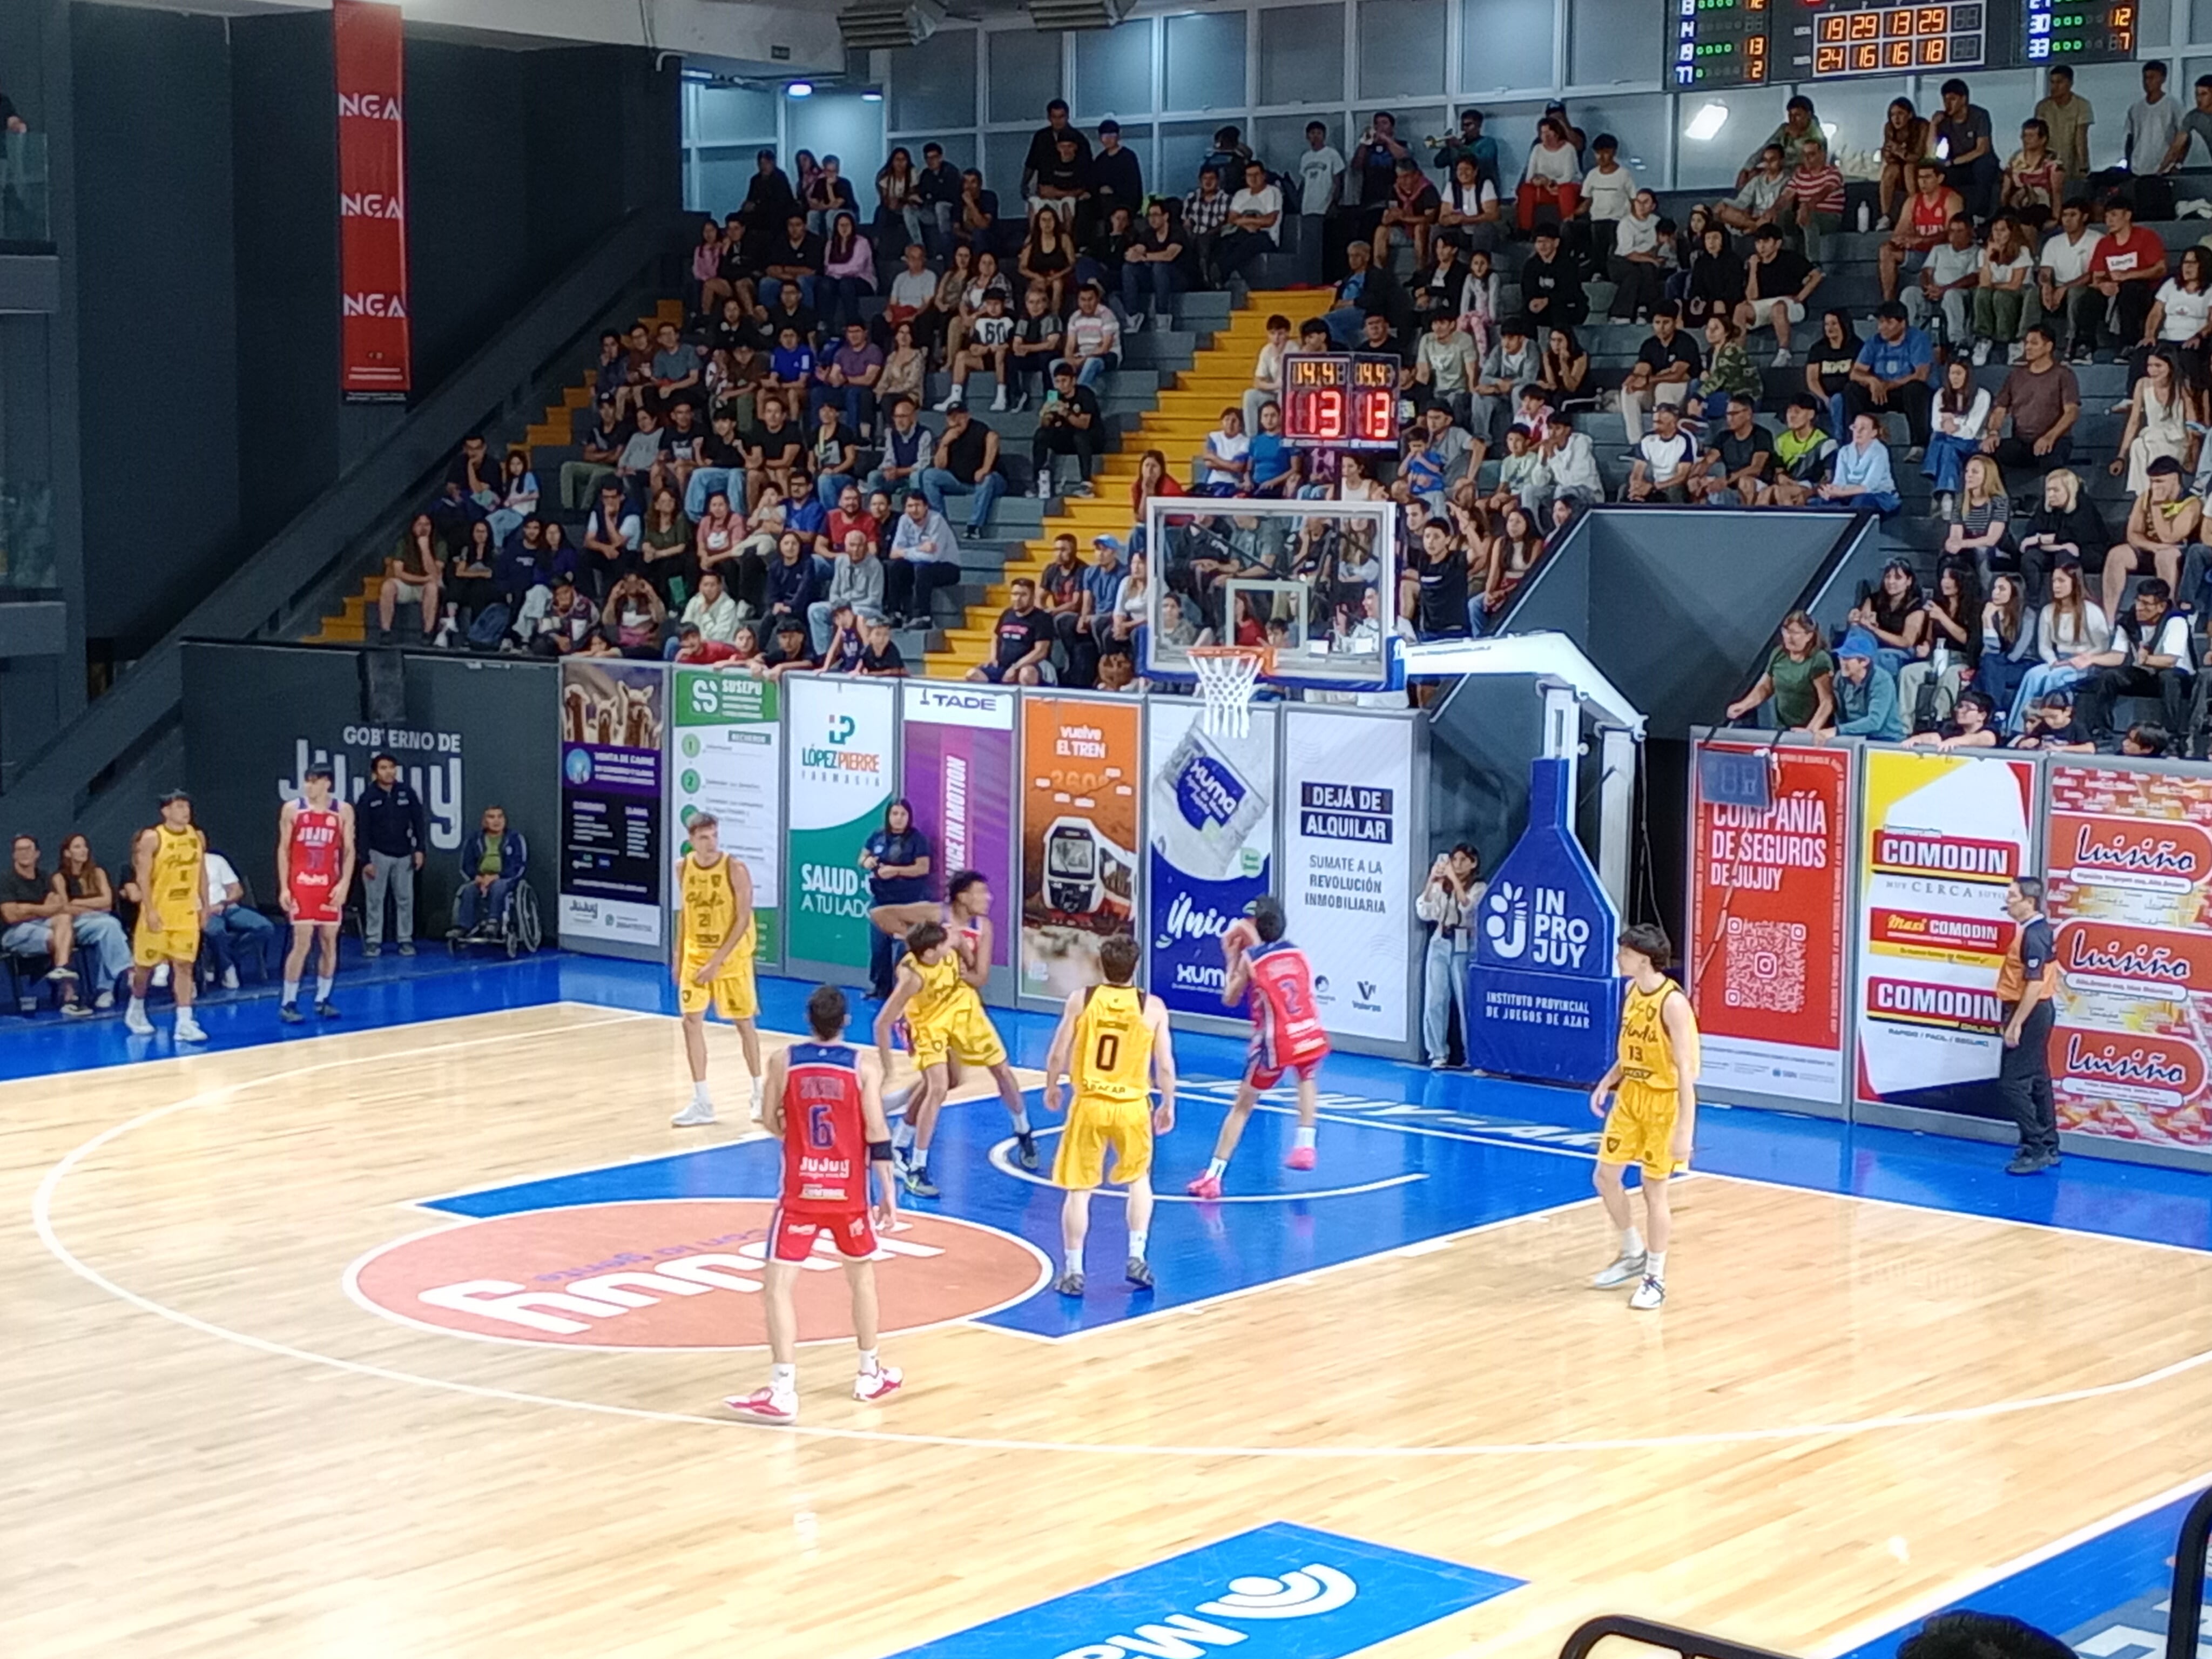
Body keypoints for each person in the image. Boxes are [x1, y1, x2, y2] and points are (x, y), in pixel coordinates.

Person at [723, 984, 903, 1425]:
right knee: (861, 1281)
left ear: (808, 1020)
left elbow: (768, 1120)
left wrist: (801, 1141)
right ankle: (869, 1372)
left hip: (802, 1191)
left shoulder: (782, 1061)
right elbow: (878, 1133)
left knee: (778, 1287)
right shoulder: (864, 1067)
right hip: (849, 1195)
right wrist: (889, 1194)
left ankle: (783, 1389)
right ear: (845, 1021)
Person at [1041, 932, 1177, 1297]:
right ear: (1136, 967)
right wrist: (1169, 1103)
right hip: (1132, 1106)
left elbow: (1058, 1053)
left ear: (1101, 964)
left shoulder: (1081, 1000)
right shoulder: (1153, 1007)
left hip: (1090, 1104)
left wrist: (1053, 1085)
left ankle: (1073, 1271)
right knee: (1139, 1181)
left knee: (1079, 1190)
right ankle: (1136, 1256)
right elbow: (1164, 1065)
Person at [875, 919, 1037, 1197]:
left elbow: (961, 943)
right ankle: (917, 1167)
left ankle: (1024, 1132)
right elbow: (881, 1023)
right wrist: (888, 1067)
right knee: (937, 1087)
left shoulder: (946, 942)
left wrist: (967, 958)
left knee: (1001, 1070)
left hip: (964, 1010)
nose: (946, 946)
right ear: (927, 954)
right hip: (928, 1024)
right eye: (941, 946)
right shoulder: (911, 977)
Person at [1587, 922, 1700, 1312]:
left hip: (1664, 1102)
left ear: (1643, 959)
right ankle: (1632, 1252)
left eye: (1624, 953)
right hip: (1631, 1095)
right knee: (1605, 1176)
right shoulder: (1633, 991)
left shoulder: (1673, 1003)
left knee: (1655, 1191)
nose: (1619, 958)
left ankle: (1655, 1277)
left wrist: (1686, 1128)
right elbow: (1633, 1047)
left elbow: (1685, 1070)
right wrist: (1608, 1081)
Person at [1186, 897, 1331, 1199]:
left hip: (1276, 1041)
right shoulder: (1298, 952)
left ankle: (1213, 1177)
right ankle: (1306, 1142)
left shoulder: (1251, 958)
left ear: (1256, 925)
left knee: (1242, 1106)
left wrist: (1230, 957)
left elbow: (1229, 997)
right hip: (1310, 1032)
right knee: (1307, 1077)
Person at [667, 813, 764, 1127]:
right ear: (691, 840)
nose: (711, 843)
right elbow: (685, 914)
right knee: (690, 1022)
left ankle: (758, 1094)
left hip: (731, 958)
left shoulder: (735, 869)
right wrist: (679, 955)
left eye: (714, 836)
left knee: (744, 1023)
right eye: (704, 838)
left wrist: (717, 961)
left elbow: (742, 919)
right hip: (697, 955)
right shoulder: (683, 867)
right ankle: (702, 1100)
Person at [124, 791, 208, 1043]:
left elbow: (201, 873)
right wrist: (149, 910)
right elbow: (142, 877)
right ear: (166, 811)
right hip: (159, 913)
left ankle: (184, 1022)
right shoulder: (153, 838)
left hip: (185, 913)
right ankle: (136, 1008)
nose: (186, 811)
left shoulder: (197, 836)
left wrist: (205, 906)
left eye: (187, 806)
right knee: (145, 969)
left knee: (184, 966)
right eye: (180, 806)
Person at [1993, 879, 2061, 1176]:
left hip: (2030, 1012)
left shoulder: (2033, 936)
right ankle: (2049, 1142)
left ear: (2029, 902)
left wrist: (2015, 1024)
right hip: (2038, 1011)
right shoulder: (2039, 931)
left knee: (2012, 1084)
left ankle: (2036, 1147)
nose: (2007, 901)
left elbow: (2033, 985)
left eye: (2012, 896)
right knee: (2038, 1080)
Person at [276, 763, 354, 1023]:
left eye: (314, 781)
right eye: (307, 781)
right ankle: (288, 1001)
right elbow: (283, 850)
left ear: (327, 783)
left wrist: (344, 885)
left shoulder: (342, 811)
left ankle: (323, 998)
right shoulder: (293, 809)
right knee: (302, 941)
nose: (309, 786)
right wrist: (285, 887)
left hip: (329, 884)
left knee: (329, 941)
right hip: (302, 882)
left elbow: (349, 851)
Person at [2080, 578, 2196, 738]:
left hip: (2179, 677)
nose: (2140, 608)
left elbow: (2170, 661)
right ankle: (2102, 731)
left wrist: (2147, 659)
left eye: (2146, 604)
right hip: (2146, 675)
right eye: (2138, 602)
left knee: (2168, 677)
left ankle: (2172, 736)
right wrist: (2092, 659)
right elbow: (2118, 656)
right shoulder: (2129, 621)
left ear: (2161, 606)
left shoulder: (2176, 621)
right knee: (2109, 676)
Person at [2, 835, 103, 1016]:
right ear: (14, 855)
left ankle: (62, 968)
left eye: (28, 849)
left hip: (42, 925)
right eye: (20, 850)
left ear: (37, 854)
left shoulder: (45, 878)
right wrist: (41, 909)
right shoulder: (6, 880)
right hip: (15, 932)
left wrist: (26, 908)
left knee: (64, 920)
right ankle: (69, 998)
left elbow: (57, 908)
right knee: (62, 939)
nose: (24, 853)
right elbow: (11, 916)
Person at [2009, 557, 2111, 729]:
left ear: (2075, 583)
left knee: (2054, 678)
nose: (2056, 586)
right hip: (2059, 661)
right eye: (2054, 581)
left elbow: (2102, 645)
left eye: (2061, 581)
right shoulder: (2048, 611)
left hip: (2084, 663)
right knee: (2033, 675)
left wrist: (2082, 658)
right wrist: (2053, 661)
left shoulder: (2091, 611)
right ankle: (2018, 727)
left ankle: (2046, 726)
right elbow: (2044, 645)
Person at [2103, 455, 2200, 618]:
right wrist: (2154, 547)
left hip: (2179, 554)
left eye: (2160, 482)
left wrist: (2157, 506)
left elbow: (2169, 538)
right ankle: (2109, 620)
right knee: (2117, 554)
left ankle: (2165, 615)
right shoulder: (2145, 497)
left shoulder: (2191, 503)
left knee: (2165, 556)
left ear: (2175, 479)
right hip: (2151, 548)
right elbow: (2133, 534)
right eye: (2152, 481)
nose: (2154, 486)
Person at [1983, 325, 2081, 474]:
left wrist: (2050, 437)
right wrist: (1993, 433)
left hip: (2056, 440)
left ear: (2049, 346)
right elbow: (2000, 410)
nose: (2028, 347)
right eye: (2027, 343)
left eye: (2034, 343)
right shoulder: (2015, 375)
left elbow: (2072, 412)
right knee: (1987, 454)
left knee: (2052, 460)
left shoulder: (2064, 375)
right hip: (2022, 442)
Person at [860, 799, 931, 1000]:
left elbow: (923, 868)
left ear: (909, 817)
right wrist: (867, 862)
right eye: (895, 814)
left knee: (903, 950)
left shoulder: (918, 840)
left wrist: (896, 871)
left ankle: (903, 992)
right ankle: (880, 989)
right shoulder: (878, 836)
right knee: (879, 948)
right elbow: (862, 858)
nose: (898, 819)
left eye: (903, 815)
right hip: (881, 901)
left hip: (908, 903)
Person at [1418, 844, 1481, 1069]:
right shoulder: (1441, 886)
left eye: (1464, 860)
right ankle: (1437, 1053)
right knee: (1435, 999)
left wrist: (1455, 881)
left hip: (1464, 942)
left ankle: (1473, 1056)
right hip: (1440, 940)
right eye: (1455, 860)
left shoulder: (1479, 887)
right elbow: (1425, 911)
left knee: (1466, 1001)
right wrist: (1432, 881)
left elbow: (1469, 908)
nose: (1458, 864)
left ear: (1473, 863)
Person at [1727, 609, 1835, 734]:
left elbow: (1827, 701)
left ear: (1809, 636)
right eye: (1786, 631)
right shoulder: (1779, 654)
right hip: (1782, 728)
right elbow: (1765, 687)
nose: (1789, 637)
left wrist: (1810, 731)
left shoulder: (1819, 659)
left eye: (1795, 633)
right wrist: (1744, 705)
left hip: (1810, 729)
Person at [1847, 302, 1934, 454]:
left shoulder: (1917, 339)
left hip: (1903, 392)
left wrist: (1889, 385)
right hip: (1880, 393)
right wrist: (1872, 381)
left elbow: (1921, 375)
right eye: (1881, 322)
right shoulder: (1874, 341)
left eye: (1889, 322)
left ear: (1903, 323)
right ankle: (1857, 441)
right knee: (1852, 389)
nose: (1882, 327)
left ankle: (1919, 445)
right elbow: (1855, 373)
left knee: (1916, 388)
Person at [2089, 194, 2169, 356]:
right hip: (2113, 291)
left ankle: (2130, 344)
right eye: (2106, 217)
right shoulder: (2104, 243)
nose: (2108, 221)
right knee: (2087, 295)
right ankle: (2084, 345)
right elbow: (2097, 276)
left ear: (2128, 215)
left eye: (2114, 215)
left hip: (2144, 290)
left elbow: (2160, 269)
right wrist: (2102, 285)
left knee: (2130, 289)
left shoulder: (2146, 237)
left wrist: (2128, 276)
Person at [1880, 160, 1964, 307]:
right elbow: (1900, 230)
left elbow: (1952, 235)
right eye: (1920, 178)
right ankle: (1889, 303)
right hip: (1919, 255)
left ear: (1940, 179)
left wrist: (1920, 241)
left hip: (1942, 256)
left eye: (1928, 177)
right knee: (1886, 250)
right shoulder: (1913, 201)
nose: (1923, 182)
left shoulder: (1952, 199)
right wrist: (1901, 240)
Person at [451, 805, 526, 940]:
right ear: (484, 821)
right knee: (468, 890)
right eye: (491, 817)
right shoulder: (474, 839)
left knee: (499, 886)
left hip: (505, 878)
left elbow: (518, 866)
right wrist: (477, 878)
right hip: (481, 878)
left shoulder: (515, 838)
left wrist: (496, 877)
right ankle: (464, 927)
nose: (496, 821)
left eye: (500, 817)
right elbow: (466, 865)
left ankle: (493, 922)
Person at [966, 576, 1056, 686]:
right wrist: (993, 658)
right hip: (1004, 665)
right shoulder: (1007, 614)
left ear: (1033, 597)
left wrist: (1016, 667)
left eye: (1023, 595)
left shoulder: (1042, 618)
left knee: (1026, 674)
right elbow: (996, 637)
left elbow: (1041, 652)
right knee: (972, 674)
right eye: (1015, 594)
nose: (1018, 599)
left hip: (1031, 665)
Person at [1827, 635, 1906, 743]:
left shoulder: (1882, 680)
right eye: (1841, 657)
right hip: (1854, 737)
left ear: (1864, 661)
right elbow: (1841, 716)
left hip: (1886, 740)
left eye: (1847, 658)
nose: (1842, 662)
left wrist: (1839, 730)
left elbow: (1875, 722)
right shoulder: (1839, 679)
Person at [1876, 99, 1932, 230]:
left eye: (1900, 114)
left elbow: (1918, 155)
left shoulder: (1921, 126)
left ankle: (1915, 211)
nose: (1896, 118)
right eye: (1893, 114)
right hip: (1899, 168)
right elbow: (1889, 158)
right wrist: (1888, 153)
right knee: (1890, 170)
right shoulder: (1889, 128)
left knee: (1909, 168)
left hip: (1920, 167)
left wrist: (1900, 151)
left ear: (1910, 115)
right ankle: (1886, 216)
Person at [2036, 63, 2096, 183]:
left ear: (2070, 84)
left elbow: (2081, 138)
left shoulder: (2081, 105)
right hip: (2047, 166)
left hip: (2072, 167)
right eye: (2052, 82)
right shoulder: (2043, 107)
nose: (2054, 87)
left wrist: (2083, 166)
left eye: (2059, 82)